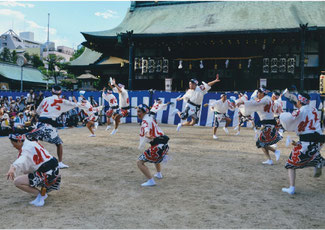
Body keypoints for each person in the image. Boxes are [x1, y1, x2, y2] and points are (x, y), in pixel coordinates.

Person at [280, 92, 324, 195]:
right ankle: (318, 161)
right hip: (316, 141)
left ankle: (291, 188)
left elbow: (289, 119)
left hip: (305, 143)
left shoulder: (300, 111)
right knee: (311, 157)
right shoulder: (314, 110)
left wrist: (282, 116)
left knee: (290, 165)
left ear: (299, 101)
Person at [26, 85, 78, 169]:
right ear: (60, 92)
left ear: (52, 91)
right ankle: (60, 162)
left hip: (39, 123)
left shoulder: (45, 99)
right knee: (59, 143)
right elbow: (74, 105)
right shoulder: (62, 101)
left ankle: (33, 160)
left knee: (34, 141)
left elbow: (38, 112)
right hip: (49, 125)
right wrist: (76, 102)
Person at [6, 131, 61, 207]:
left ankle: (41, 195)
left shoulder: (27, 148)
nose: (13, 146)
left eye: (13, 144)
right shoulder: (31, 143)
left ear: (19, 141)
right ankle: (43, 191)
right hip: (54, 170)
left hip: (47, 173)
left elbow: (23, 158)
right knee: (28, 173)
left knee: (17, 182)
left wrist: (13, 167)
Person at [237, 87, 282, 165]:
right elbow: (257, 104)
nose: (257, 94)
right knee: (263, 144)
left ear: (262, 93)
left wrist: (243, 103)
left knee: (260, 143)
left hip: (268, 124)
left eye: (258, 93)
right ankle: (269, 160)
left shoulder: (265, 99)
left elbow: (255, 103)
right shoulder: (268, 99)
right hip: (267, 123)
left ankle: (276, 151)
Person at [136, 104, 169, 187]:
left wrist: (147, 134)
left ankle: (151, 181)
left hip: (158, 146)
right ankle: (159, 174)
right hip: (164, 145)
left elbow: (146, 128)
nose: (138, 113)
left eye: (139, 111)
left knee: (139, 162)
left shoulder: (145, 121)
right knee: (155, 158)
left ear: (144, 112)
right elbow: (154, 109)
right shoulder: (151, 116)